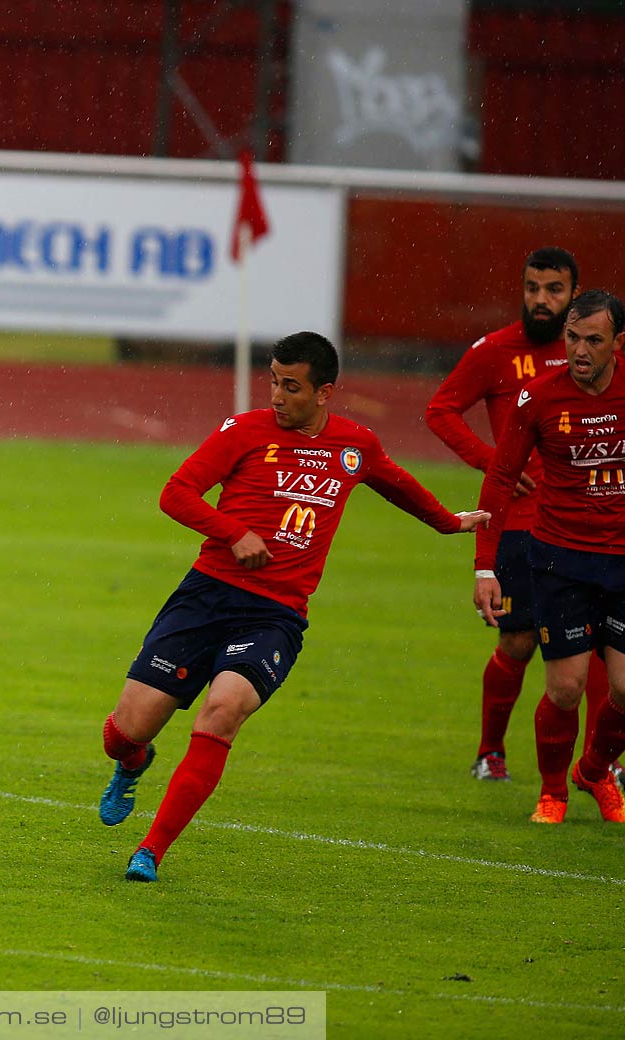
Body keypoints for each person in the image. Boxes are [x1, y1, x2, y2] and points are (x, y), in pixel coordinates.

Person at [97, 332, 487, 882]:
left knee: (223, 710)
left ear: (325, 392)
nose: (277, 396)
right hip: (207, 596)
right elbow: (176, 493)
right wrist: (234, 533)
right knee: (124, 732)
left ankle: (151, 851)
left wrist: (449, 522)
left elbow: (395, 483)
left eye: (291, 386)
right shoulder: (243, 431)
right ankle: (133, 762)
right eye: (273, 381)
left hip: (275, 614)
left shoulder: (355, 446)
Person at [425, 248, 614, 783]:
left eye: (553, 289)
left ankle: (602, 764)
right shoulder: (494, 351)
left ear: (575, 294)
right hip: (520, 522)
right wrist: (493, 461)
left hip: (590, 522)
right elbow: (439, 410)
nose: (540, 299)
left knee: (603, 642)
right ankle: (491, 752)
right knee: (518, 639)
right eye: (532, 287)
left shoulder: (597, 354)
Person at [475, 289, 625, 825]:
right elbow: (498, 478)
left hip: (622, 561)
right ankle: (554, 791)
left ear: (618, 343)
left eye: (593, 340)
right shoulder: (537, 398)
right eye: (572, 338)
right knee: (565, 688)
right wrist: (485, 567)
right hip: (560, 558)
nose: (579, 351)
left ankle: (594, 769)